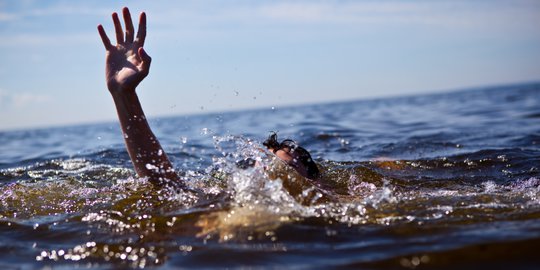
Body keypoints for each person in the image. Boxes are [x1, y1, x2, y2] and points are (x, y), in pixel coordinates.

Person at [97, 7, 319, 187]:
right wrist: (123, 94)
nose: (269, 170)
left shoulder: (323, 205)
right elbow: (164, 185)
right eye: (266, 164)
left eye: (286, 167)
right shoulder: (224, 200)